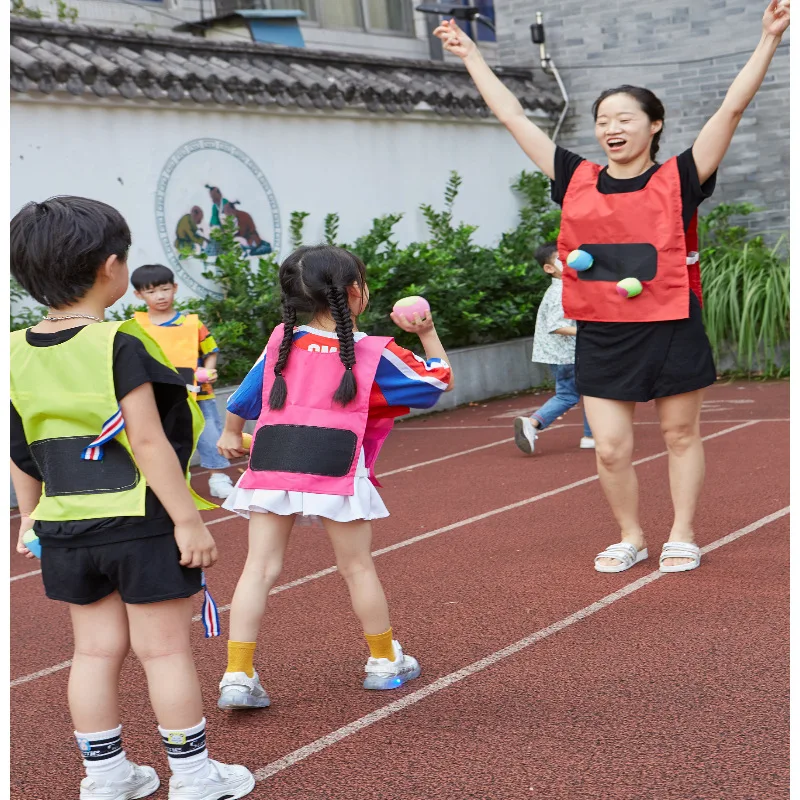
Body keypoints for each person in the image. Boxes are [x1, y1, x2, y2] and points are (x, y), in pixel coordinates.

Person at [435, 0, 789, 574]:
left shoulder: (681, 176)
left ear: (654, 126)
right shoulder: (575, 177)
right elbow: (516, 119)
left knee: (678, 435)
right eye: (603, 120)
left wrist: (769, 38)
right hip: (600, 330)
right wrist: (472, 55)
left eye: (624, 118)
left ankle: (681, 532)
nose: (611, 128)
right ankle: (630, 535)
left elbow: (733, 106)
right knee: (610, 447)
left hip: (671, 323)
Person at [9, 196, 254, 800]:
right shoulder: (118, 345)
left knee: (91, 651)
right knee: (164, 649)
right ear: (111, 268)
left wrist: (28, 517)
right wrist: (190, 521)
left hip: (65, 524)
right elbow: (147, 438)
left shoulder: (12, 351)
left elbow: (20, 443)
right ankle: (194, 776)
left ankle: (106, 777)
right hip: (139, 520)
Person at [214, 244, 453, 708]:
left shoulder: (281, 340)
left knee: (258, 569)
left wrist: (229, 434)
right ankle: (384, 662)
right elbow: (437, 381)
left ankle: (238, 676)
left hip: (273, 460)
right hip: (336, 465)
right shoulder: (372, 351)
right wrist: (427, 332)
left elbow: (244, 398)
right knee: (357, 567)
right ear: (353, 292)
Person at [131, 264, 235, 500]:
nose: (160, 296)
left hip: (199, 393)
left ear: (175, 288)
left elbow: (210, 350)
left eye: (165, 289)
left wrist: (209, 371)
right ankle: (169, 484)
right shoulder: (137, 327)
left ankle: (218, 478)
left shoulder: (192, 324)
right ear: (139, 294)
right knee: (163, 439)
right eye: (151, 291)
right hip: (157, 397)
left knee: (209, 435)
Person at [514, 242, 595, 455]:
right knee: (570, 395)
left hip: (562, 354)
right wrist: (588, 333)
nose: (569, 263)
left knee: (589, 391)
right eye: (562, 260)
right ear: (549, 268)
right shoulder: (561, 292)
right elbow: (557, 326)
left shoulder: (563, 289)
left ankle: (591, 436)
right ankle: (532, 423)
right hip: (566, 354)